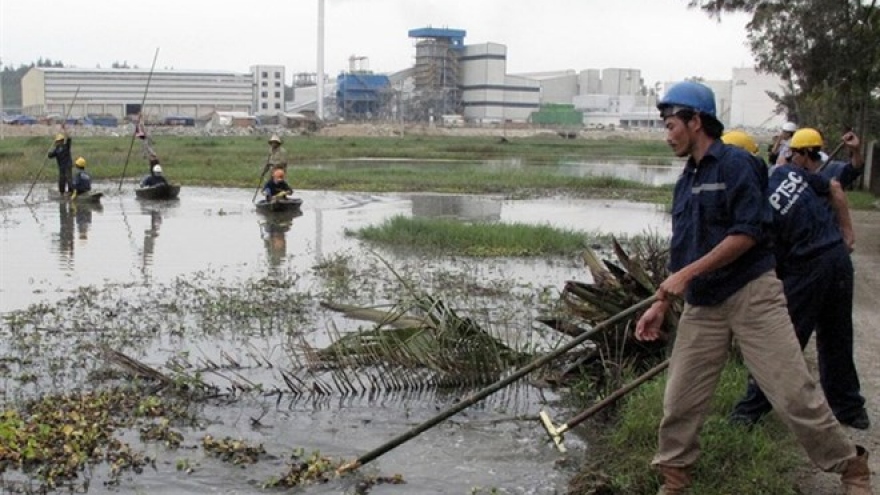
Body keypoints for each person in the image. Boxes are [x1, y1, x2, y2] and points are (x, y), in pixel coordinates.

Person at [634, 81, 871, 494]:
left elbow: (748, 232)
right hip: (704, 305)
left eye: (672, 125)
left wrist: (685, 276)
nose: (668, 134)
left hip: (752, 293)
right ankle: (675, 478)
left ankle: (851, 467)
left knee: (793, 393)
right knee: (680, 401)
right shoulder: (686, 181)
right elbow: (684, 250)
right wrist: (661, 302)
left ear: (696, 121)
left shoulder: (736, 166)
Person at [723, 130, 868, 431]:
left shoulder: (756, 198)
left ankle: (747, 413)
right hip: (836, 260)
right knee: (837, 337)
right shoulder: (788, 174)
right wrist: (846, 234)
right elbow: (835, 189)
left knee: (782, 343)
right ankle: (850, 410)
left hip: (809, 267)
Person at [792, 127, 865, 189]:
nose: (793, 158)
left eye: (795, 152)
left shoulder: (832, 169)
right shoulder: (796, 176)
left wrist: (856, 150)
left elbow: (855, 168)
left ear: (807, 150)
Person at [48, 124, 74, 194]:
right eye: (56, 142)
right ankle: (62, 192)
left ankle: (71, 192)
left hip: (67, 166)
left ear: (61, 141)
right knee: (62, 180)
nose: (57, 143)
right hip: (61, 167)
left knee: (69, 179)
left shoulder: (66, 146)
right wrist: (49, 151)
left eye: (58, 141)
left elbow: (69, 138)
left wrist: (64, 129)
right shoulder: (56, 150)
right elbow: (50, 156)